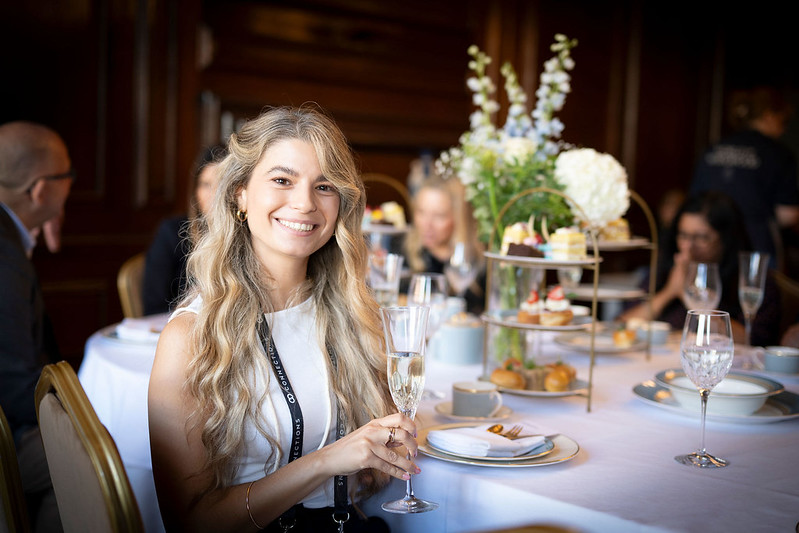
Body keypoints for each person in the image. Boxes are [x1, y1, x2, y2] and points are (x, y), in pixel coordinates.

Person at [148, 106, 415, 532]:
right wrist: (328, 461)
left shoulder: (353, 313)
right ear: (240, 193)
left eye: (324, 185)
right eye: (282, 180)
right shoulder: (191, 336)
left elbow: (374, 467)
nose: (305, 203)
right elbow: (190, 522)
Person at [0, 121, 72, 532]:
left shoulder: (12, 239)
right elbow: (15, 383)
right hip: (7, 429)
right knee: (95, 454)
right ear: (41, 190)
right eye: (69, 177)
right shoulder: (6, 261)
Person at [621, 191, 781, 346]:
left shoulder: (750, 280)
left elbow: (752, 341)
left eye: (701, 237)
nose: (688, 247)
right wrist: (670, 291)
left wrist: (694, 295)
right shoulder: (670, 268)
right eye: (683, 235)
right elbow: (621, 325)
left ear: (726, 239)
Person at [690, 86, 799, 269]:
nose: (784, 129)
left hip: (709, 248)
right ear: (769, 115)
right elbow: (787, 215)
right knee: (758, 296)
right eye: (784, 121)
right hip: (756, 250)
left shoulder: (714, 147)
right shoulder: (777, 153)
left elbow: (694, 203)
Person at [142, 144, 227, 315]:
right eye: (206, 184)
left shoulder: (250, 235)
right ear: (195, 191)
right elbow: (154, 306)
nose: (214, 195)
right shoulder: (172, 232)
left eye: (222, 185)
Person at [403, 175, 485, 314]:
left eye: (439, 216)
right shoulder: (404, 253)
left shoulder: (479, 264)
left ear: (459, 219)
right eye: (421, 212)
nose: (427, 224)